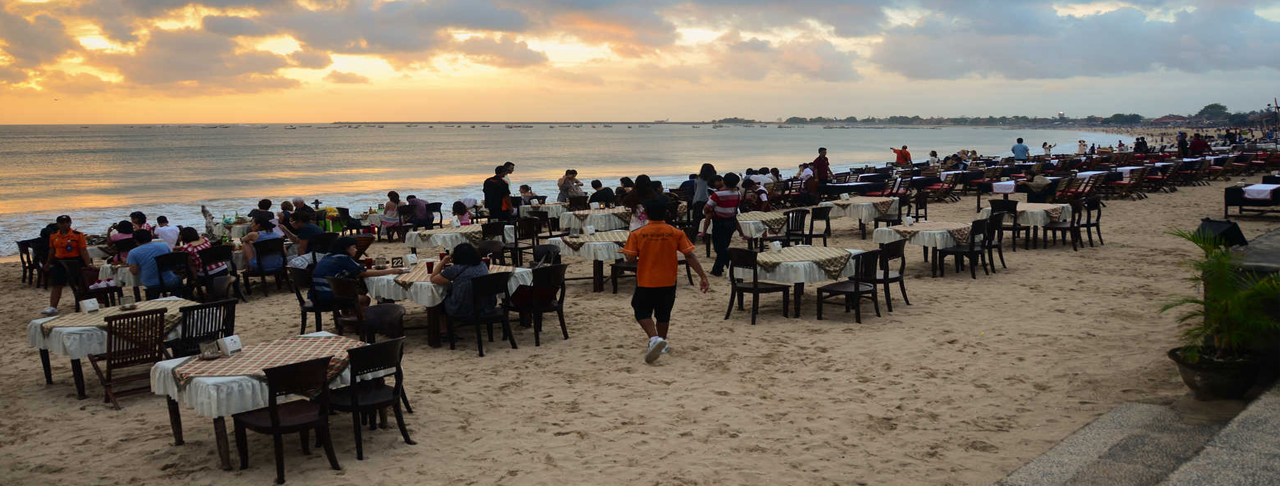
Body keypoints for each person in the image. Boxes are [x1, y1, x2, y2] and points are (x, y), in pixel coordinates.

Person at [620, 200, 710, 363]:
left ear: (646, 213)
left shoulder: (637, 233)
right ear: (666, 214)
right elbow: (689, 255)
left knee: (640, 310)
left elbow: (630, 257)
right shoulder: (675, 232)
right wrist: (702, 276)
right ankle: (662, 341)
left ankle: (654, 339)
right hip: (668, 279)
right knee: (664, 313)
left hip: (646, 279)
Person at [311, 236, 407, 310]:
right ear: (346, 249)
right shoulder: (343, 259)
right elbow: (363, 273)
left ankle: (348, 315)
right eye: (353, 247)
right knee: (365, 299)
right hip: (328, 295)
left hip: (316, 294)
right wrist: (391, 271)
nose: (356, 250)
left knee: (358, 287)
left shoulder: (328, 256)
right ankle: (359, 320)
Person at [41, 215, 93, 316]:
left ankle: (85, 305)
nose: (65, 225)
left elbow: (83, 250)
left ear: (70, 223)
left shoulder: (78, 235)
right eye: (62, 223)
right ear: (58, 224)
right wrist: (48, 263)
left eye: (67, 222)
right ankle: (53, 307)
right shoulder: (54, 236)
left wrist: (88, 264)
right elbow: (52, 251)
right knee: (57, 284)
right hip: (59, 262)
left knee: (80, 284)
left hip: (75, 262)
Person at [429, 243, 493, 320]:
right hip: (486, 306)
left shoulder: (455, 269)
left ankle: (443, 328)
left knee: (437, 298)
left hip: (462, 308)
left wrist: (442, 262)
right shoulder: (482, 265)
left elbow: (433, 279)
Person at [704, 172, 742, 277]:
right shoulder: (738, 193)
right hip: (731, 222)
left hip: (720, 223)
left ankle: (731, 263)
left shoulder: (718, 194)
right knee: (724, 246)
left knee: (718, 248)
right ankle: (719, 269)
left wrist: (708, 212)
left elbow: (707, 207)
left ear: (724, 181)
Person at [126, 230, 183, 299]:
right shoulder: (164, 245)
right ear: (151, 237)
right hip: (168, 281)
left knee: (153, 290)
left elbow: (134, 272)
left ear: (136, 240)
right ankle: (174, 298)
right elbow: (170, 261)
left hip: (150, 283)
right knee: (179, 279)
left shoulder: (133, 252)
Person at [692, 164, 716, 229]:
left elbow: (695, 190)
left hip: (697, 200)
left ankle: (696, 234)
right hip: (709, 201)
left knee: (697, 220)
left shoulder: (697, 179)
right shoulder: (713, 179)